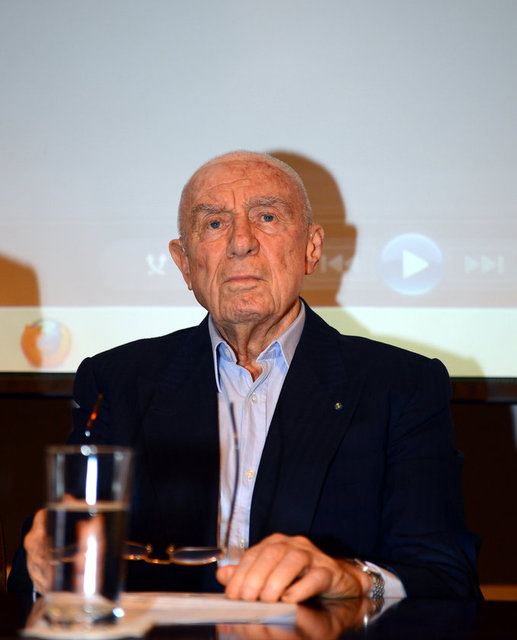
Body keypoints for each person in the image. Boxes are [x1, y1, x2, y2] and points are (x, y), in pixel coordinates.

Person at [9, 151, 481, 603]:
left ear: (311, 248)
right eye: (214, 223)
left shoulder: (401, 386)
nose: (241, 242)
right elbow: (52, 553)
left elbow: (446, 576)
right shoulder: (118, 381)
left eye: (267, 217)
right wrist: (47, 563)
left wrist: (350, 579)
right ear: (184, 263)